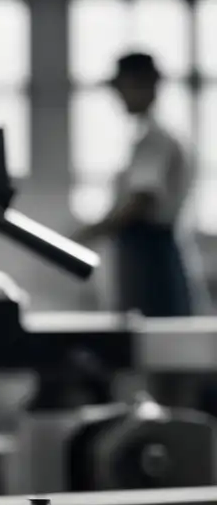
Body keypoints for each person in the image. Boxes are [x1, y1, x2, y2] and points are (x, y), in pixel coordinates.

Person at [72, 51, 206, 318]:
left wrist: (88, 233)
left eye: (124, 87)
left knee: (154, 339)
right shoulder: (153, 137)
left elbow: (141, 201)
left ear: (143, 84)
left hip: (150, 256)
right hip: (146, 251)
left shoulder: (155, 139)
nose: (119, 97)